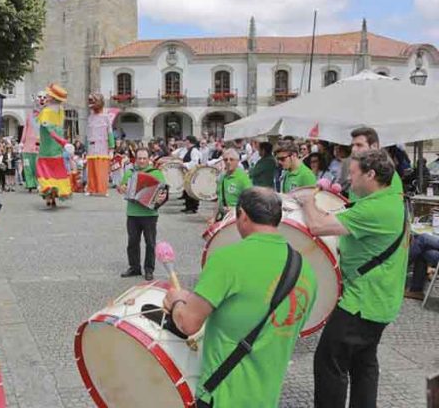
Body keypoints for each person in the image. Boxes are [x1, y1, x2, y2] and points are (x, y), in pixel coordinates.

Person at [163, 187, 317, 407]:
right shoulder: (305, 269)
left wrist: (176, 300)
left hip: (224, 395)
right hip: (267, 397)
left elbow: (188, 324)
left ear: (243, 215)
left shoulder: (228, 260)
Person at [297, 149, 406, 408]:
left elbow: (317, 226)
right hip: (381, 299)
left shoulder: (378, 209)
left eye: (354, 174)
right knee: (363, 364)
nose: (349, 179)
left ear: (370, 174)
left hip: (361, 302)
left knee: (329, 363)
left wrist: (308, 201)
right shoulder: (391, 195)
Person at [118, 148, 167, 281]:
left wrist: (161, 198)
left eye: (144, 158)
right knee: (132, 242)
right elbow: (121, 187)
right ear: (136, 159)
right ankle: (134, 267)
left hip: (149, 213)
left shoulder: (156, 173)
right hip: (132, 213)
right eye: (139, 158)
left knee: (150, 243)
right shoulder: (130, 172)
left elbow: (164, 192)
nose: (142, 161)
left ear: (149, 159)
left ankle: (149, 269)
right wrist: (121, 188)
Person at [349, 127, 403, 199]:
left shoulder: (388, 174)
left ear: (374, 146)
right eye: (353, 145)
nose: (354, 149)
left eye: (359, 145)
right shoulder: (358, 169)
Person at [209, 148, 252, 224]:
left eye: (231, 159)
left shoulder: (243, 178)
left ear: (237, 161)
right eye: (225, 160)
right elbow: (219, 199)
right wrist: (213, 217)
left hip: (238, 218)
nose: (228, 162)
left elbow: (250, 200)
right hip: (224, 217)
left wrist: (235, 210)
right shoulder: (222, 177)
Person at [178, 136, 202, 213]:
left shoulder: (194, 150)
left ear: (189, 141)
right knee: (189, 190)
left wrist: (184, 164)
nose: (185, 143)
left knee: (192, 190)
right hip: (190, 172)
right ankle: (189, 206)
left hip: (193, 172)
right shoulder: (191, 150)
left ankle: (193, 208)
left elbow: (194, 162)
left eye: (186, 141)